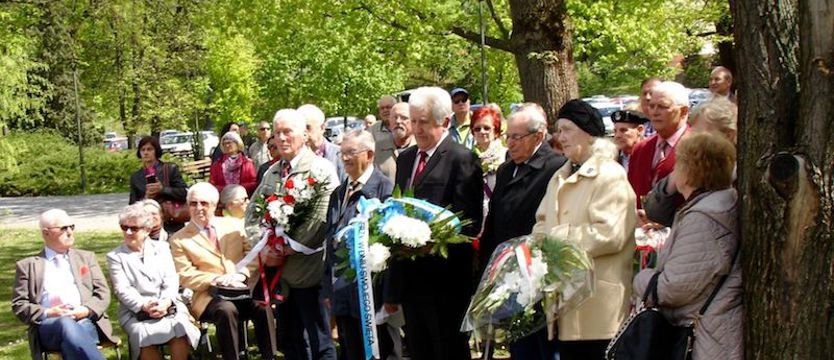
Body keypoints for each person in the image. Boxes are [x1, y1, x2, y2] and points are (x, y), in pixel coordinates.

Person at [531, 99, 637, 359]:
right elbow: (542, 219)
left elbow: (610, 234)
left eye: (567, 129)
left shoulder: (609, 175)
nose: (560, 137)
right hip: (565, 302)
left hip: (598, 306)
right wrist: (536, 244)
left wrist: (556, 239)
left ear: (589, 133)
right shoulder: (560, 175)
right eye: (558, 130)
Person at [388, 86, 483, 360]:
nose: (416, 129)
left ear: (445, 121)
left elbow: (468, 223)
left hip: (446, 283)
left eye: (424, 122)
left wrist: (426, 241)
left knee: (448, 350)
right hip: (411, 281)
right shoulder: (406, 159)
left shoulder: (461, 159)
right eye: (413, 121)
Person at [633, 132, 741, 360]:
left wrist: (641, 279)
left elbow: (672, 288)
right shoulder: (714, 207)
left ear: (688, 172)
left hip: (705, 340)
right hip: (710, 333)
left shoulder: (704, 218)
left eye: (678, 165)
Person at [246, 109, 339, 360]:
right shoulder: (272, 172)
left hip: (309, 272)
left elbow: (321, 217)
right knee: (289, 341)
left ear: (305, 134)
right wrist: (264, 247)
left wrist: (287, 247)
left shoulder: (321, 169)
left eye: (288, 131)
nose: (281, 138)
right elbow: (252, 213)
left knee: (319, 342)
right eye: (277, 133)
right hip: (279, 275)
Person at [478, 103, 566, 360]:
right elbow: (494, 220)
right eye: (508, 137)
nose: (510, 143)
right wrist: (486, 271)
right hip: (509, 272)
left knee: (543, 346)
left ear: (538, 137)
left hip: (539, 273)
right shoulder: (506, 169)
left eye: (517, 137)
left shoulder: (556, 168)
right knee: (519, 344)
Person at [169, 182, 272, 360]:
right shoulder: (179, 239)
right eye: (193, 203)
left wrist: (241, 274)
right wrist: (217, 279)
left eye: (204, 203)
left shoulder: (234, 226)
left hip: (241, 289)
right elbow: (184, 274)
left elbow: (254, 255)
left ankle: (270, 355)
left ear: (215, 205)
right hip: (208, 296)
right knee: (226, 310)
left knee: (262, 306)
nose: (198, 208)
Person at [324, 130, 401, 360]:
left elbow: (393, 247)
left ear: (369, 154)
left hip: (373, 295)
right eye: (342, 153)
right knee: (351, 351)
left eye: (351, 152)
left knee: (382, 351)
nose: (345, 158)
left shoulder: (385, 190)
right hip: (343, 293)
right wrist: (328, 288)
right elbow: (331, 241)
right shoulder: (339, 193)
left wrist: (389, 295)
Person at [12, 209, 118, 360]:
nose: (70, 232)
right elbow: (19, 305)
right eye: (63, 228)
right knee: (65, 323)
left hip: (85, 321)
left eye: (71, 227)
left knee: (71, 342)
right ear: (46, 233)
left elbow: (102, 293)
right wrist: (49, 312)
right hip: (49, 327)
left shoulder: (86, 258)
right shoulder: (28, 266)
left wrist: (86, 310)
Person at [107, 203, 200, 360]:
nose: (128, 232)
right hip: (135, 312)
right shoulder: (115, 257)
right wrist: (145, 306)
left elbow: (171, 279)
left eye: (134, 228)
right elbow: (122, 289)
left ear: (147, 230)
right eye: (124, 227)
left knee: (181, 327)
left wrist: (165, 302)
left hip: (168, 306)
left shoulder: (162, 248)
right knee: (142, 335)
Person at [643, 97, 737, 227]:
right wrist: (673, 181)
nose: (690, 137)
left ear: (728, 134)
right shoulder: (695, 165)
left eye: (699, 133)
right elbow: (654, 212)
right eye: (692, 131)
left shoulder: (743, 175)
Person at [627, 81, 690, 218]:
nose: (654, 112)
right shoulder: (640, 150)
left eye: (662, 106)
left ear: (683, 111)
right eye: (651, 106)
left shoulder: (699, 149)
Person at [129, 136, 189, 233]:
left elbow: (184, 193)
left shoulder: (170, 169)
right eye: (143, 150)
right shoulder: (136, 177)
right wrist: (146, 198)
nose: (146, 152)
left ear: (156, 151)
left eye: (149, 149)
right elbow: (132, 206)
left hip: (171, 224)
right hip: (147, 225)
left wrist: (163, 189)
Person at [469, 106, 507, 219]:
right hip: (476, 215)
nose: (482, 132)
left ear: (496, 131)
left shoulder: (506, 155)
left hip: (499, 214)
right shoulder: (468, 158)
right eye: (477, 129)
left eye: (486, 128)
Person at [298, 104, 347, 181]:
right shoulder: (291, 158)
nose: (303, 133)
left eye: (308, 128)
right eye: (299, 128)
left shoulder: (341, 156)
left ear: (322, 128)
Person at [374, 102, 415, 183]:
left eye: (404, 118)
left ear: (413, 121)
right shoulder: (376, 149)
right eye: (394, 117)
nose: (398, 121)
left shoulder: (421, 150)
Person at [209, 131, 258, 196]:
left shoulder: (247, 163)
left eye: (229, 143)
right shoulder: (217, 165)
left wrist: (238, 188)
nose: (227, 145)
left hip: (242, 197)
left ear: (237, 144)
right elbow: (212, 184)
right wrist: (225, 189)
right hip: (223, 198)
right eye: (224, 144)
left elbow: (253, 183)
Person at [371, 95, 397, 180]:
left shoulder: (406, 126)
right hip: (383, 181)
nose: (385, 110)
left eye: (388, 107)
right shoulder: (372, 131)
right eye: (382, 108)